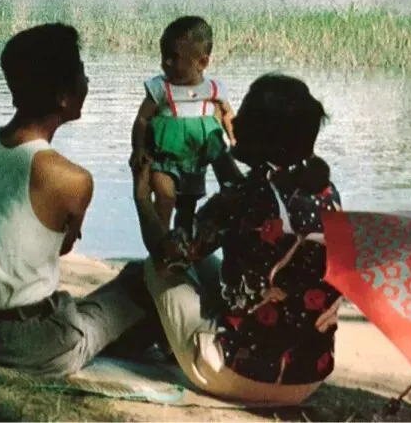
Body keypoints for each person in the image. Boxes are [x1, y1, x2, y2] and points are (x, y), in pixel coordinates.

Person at [0, 24, 151, 377]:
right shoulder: (72, 179)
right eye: (82, 72)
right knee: (142, 283)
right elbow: (62, 248)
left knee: (91, 305)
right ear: (63, 98)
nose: (87, 81)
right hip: (27, 345)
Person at [135, 73, 342, 404]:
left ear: (260, 133)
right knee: (207, 262)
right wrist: (222, 159)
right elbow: (259, 200)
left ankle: (153, 342)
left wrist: (142, 197)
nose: (234, 121)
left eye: (242, 115)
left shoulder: (240, 199)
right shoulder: (327, 194)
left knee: (152, 269)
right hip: (306, 378)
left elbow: (163, 256)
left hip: (237, 375)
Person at [129, 16, 240, 231]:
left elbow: (227, 114)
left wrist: (234, 138)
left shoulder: (213, 89)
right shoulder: (160, 88)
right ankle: (161, 243)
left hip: (195, 161)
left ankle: (183, 243)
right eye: (164, 57)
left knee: (187, 207)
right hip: (164, 158)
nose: (167, 63)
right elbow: (142, 119)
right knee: (165, 197)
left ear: (202, 62)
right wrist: (139, 149)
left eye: (175, 58)